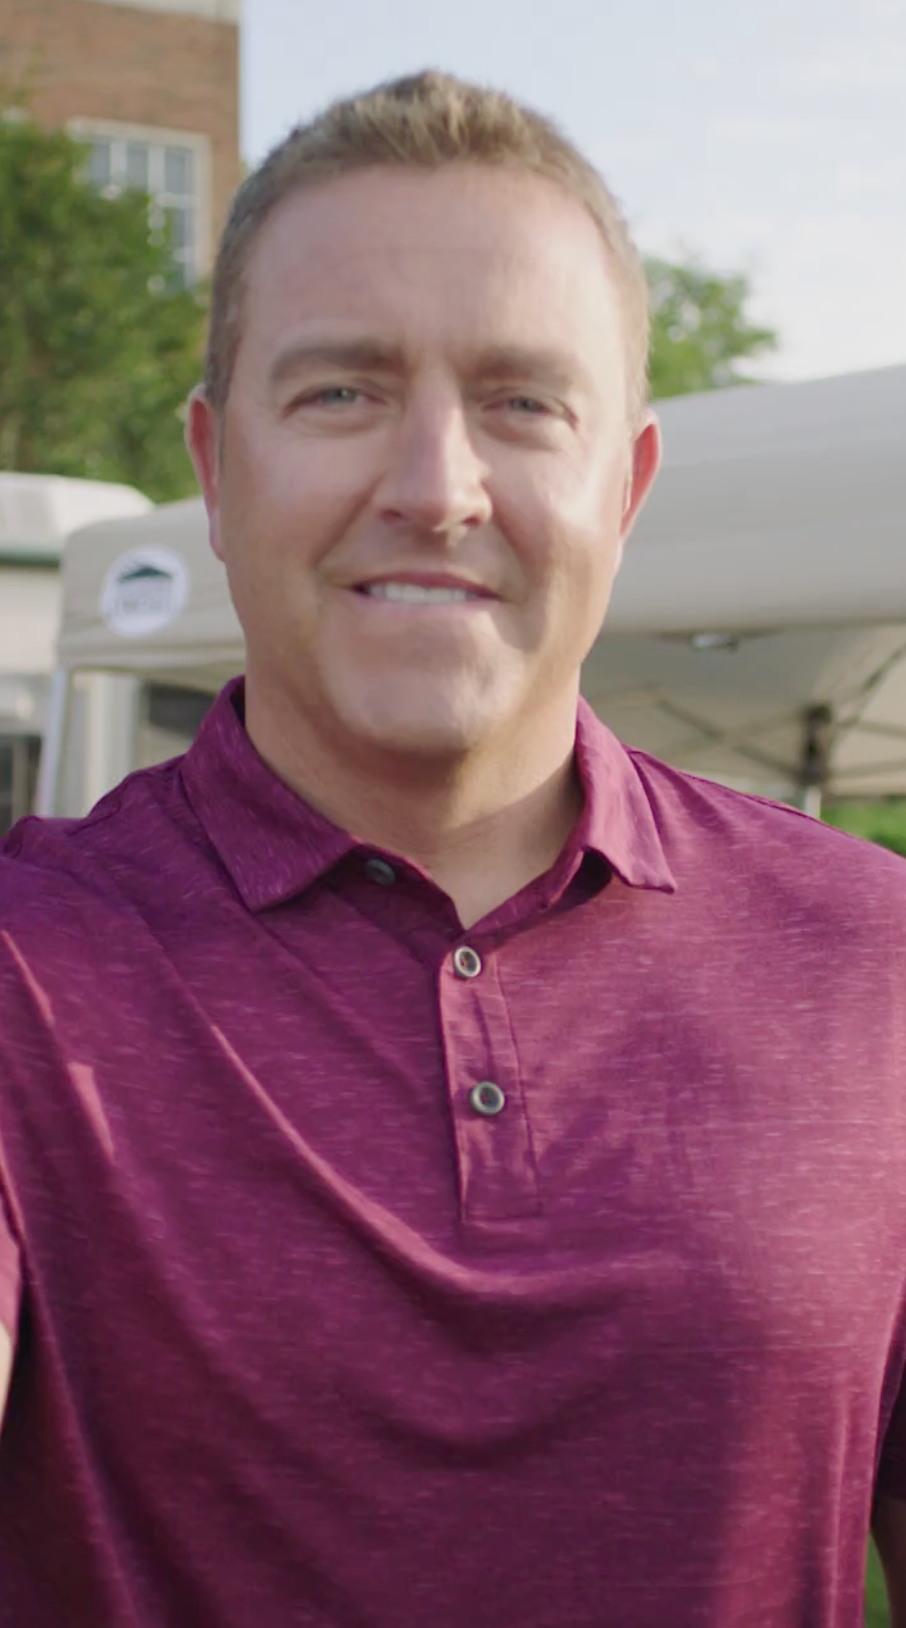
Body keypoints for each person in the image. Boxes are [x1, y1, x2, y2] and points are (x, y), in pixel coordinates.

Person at [0, 69, 904, 1628]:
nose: (434, 489)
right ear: (215, 470)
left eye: (520, 402)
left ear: (624, 487)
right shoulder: (26, 966)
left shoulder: (874, 960)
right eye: (340, 393)